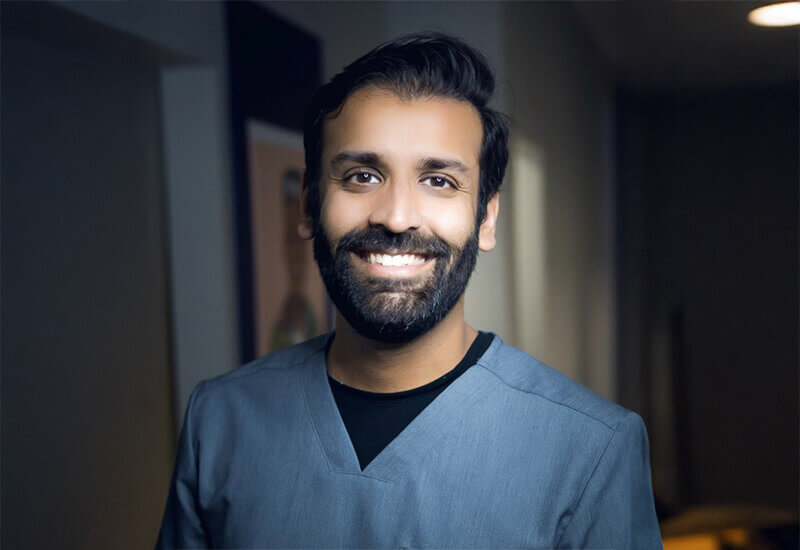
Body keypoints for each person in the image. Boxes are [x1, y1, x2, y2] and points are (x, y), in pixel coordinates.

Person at [157, 32, 662, 549]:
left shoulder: (592, 451)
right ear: (309, 206)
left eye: (439, 181)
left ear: (486, 219)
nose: (396, 216)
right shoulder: (218, 420)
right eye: (362, 175)